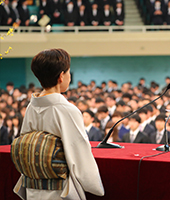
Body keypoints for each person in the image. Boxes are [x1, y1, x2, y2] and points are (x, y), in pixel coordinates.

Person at [13, 49, 104, 200]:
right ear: (61, 76)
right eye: (68, 72)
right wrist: (95, 186)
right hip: (59, 190)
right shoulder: (68, 110)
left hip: (33, 186)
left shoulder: (31, 106)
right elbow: (79, 154)